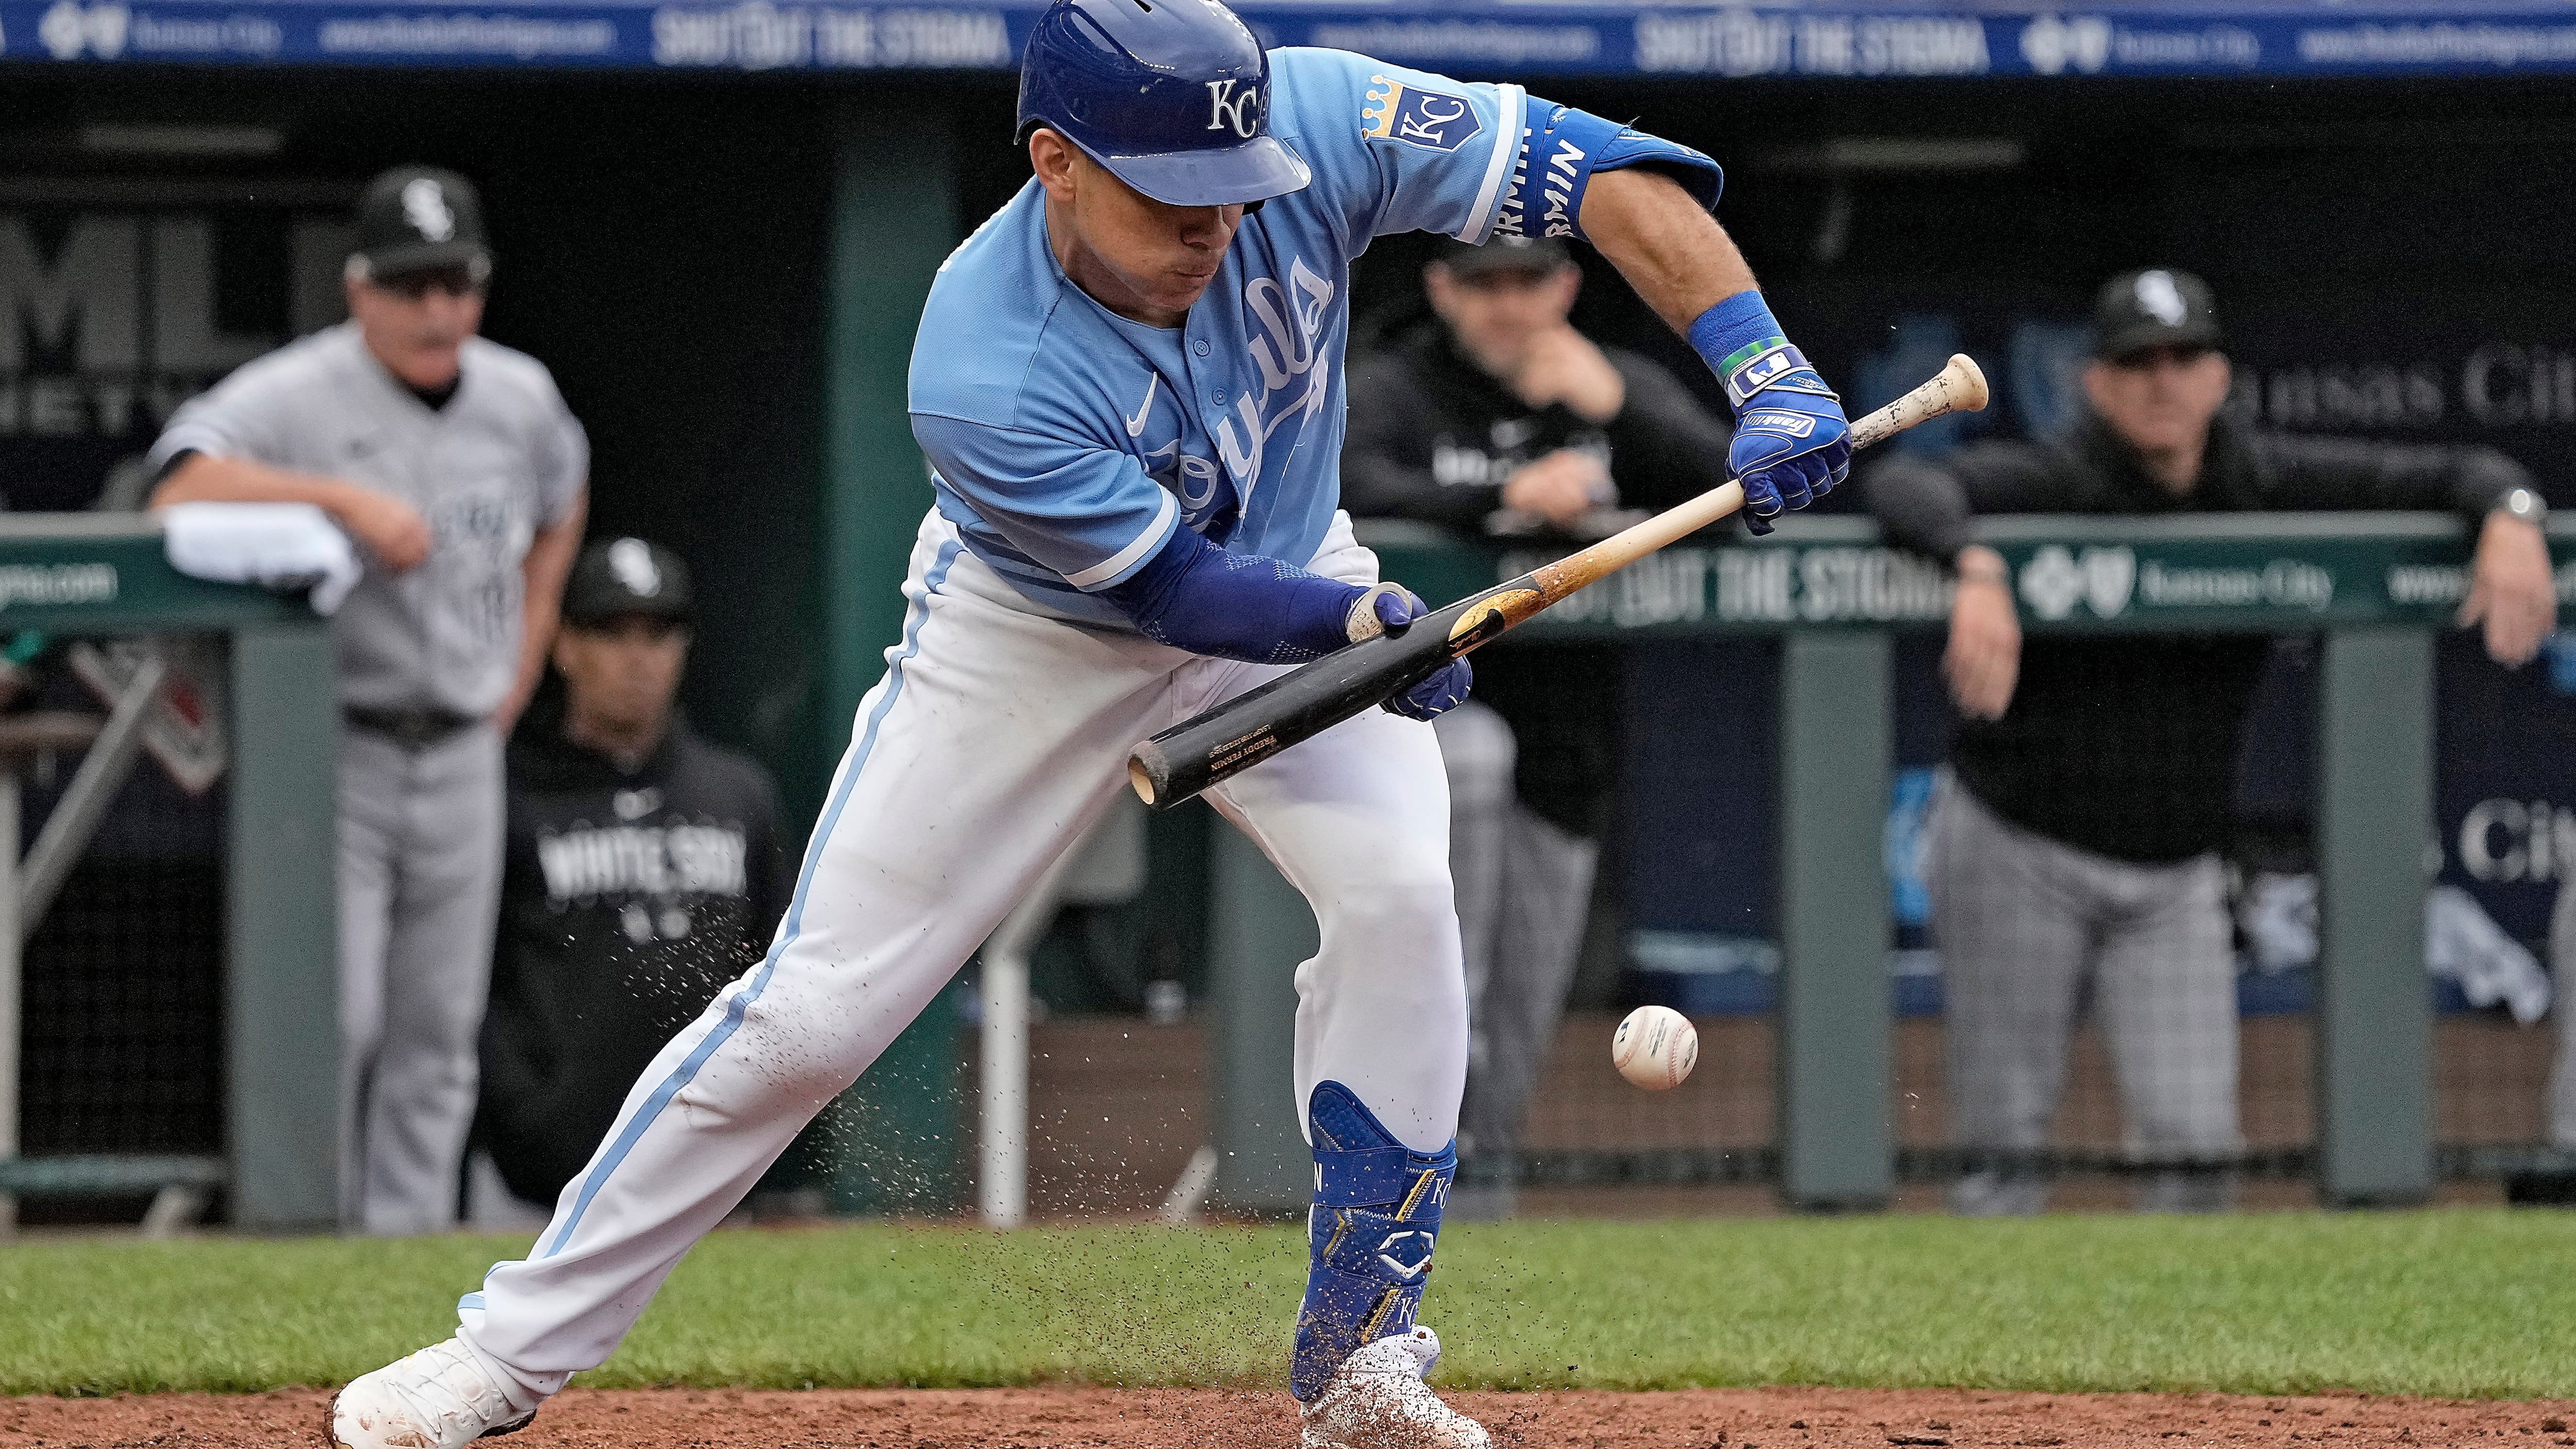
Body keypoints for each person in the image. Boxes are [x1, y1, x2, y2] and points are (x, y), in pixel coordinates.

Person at [330, 5, 1849, 1445]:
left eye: (1234, 189)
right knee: (813, 1015)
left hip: (1299, 565)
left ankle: (1364, 1359)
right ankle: (503, 1352)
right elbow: (1178, 592)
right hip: (1043, 632)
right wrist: (1356, 635)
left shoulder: (1321, 119)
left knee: (1400, 898)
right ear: (1056, 163)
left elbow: (1606, 177)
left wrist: (1761, 365)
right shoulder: (979, 364)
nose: (1215, 226)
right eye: (1170, 196)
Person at [1865, 267, 2555, 1216]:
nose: (2164, 381)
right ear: (2097, 383)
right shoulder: (2061, 478)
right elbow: (1903, 482)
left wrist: (2512, 514)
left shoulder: (2259, 479)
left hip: (2175, 874)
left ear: (2220, 375)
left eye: (2184, 357)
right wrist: (1974, 563)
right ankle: (1990, 1320)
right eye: (2138, 362)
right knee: (2001, 1149)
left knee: (2195, 1152)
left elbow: (2449, 474)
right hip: (2018, 847)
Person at [147, 165, 588, 1234]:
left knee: (439, 1027)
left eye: (456, 284)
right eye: (410, 286)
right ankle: (316, 1231)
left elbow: (563, 497)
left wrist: (526, 654)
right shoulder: (299, 390)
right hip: (338, 741)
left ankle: (405, 1243)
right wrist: (338, 499)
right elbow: (177, 486)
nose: (437, 310)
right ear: (359, 290)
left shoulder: (519, 395)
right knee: (335, 1017)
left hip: (465, 744)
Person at [1342, 234, 1734, 1214]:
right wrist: (1501, 499)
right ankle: (1400, 1195)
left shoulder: (1608, 385)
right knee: (1449, 991)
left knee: (1518, 1021)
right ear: (1442, 289)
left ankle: (1478, 1213)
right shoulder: (1395, 386)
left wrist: (1617, 404)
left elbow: (1740, 497)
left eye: (1527, 282)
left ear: (1565, 286)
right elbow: (1345, 484)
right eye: (1485, 285)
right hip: (1432, 722)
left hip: (1571, 740)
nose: (1507, 305)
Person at [466, 537, 787, 1226]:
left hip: (708, 1177)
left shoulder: (738, 795)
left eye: (658, 634)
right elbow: (465, 978)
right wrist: (523, 1113)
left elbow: (779, 969)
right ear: (565, 646)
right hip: (537, 1184)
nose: (637, 658)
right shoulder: (505, 793)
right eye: (611, 633)